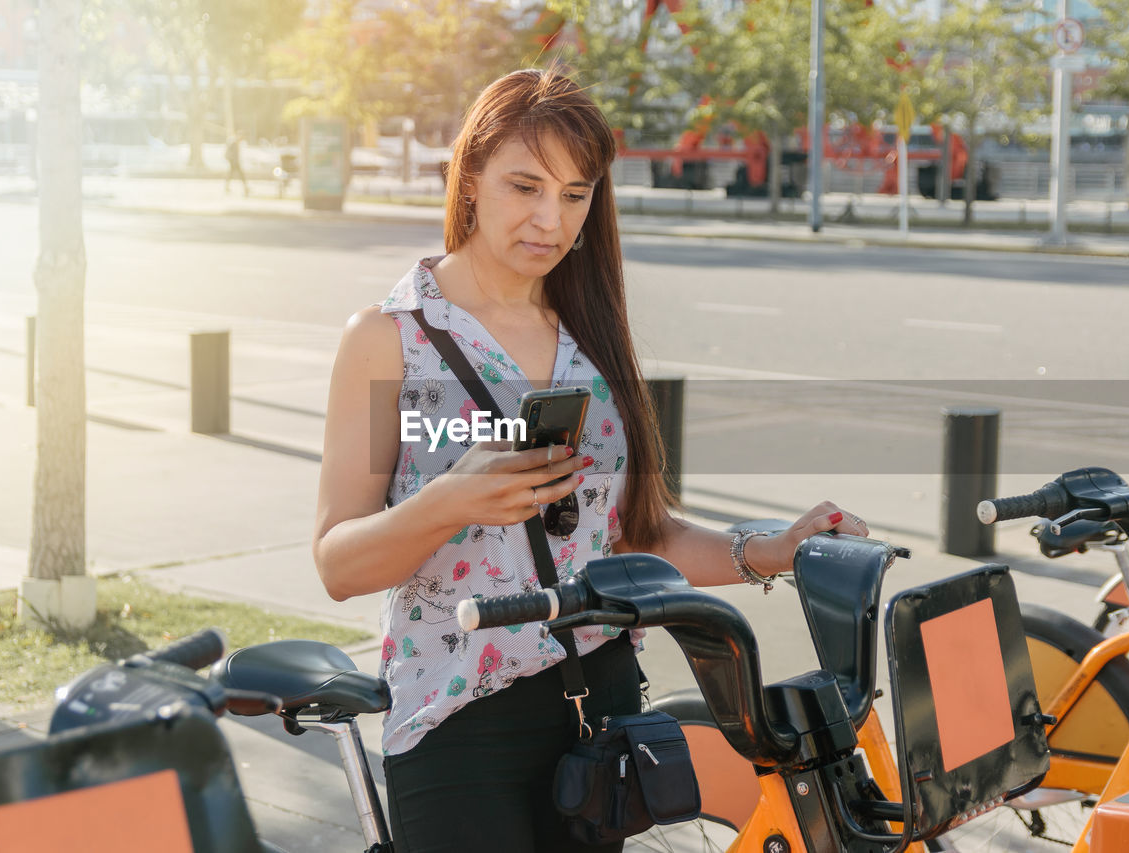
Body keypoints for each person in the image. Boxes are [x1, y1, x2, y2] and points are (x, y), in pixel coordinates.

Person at [313, 67, 869, 853]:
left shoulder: (587, 334)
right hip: (459, 719)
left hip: (597, 707)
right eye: (525, 186)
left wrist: (765, 550)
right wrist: (453, 499)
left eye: (576, 195)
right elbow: (338, 561)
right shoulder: (390, 336)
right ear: (468, 177)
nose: (551, 218)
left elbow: (634, 536)